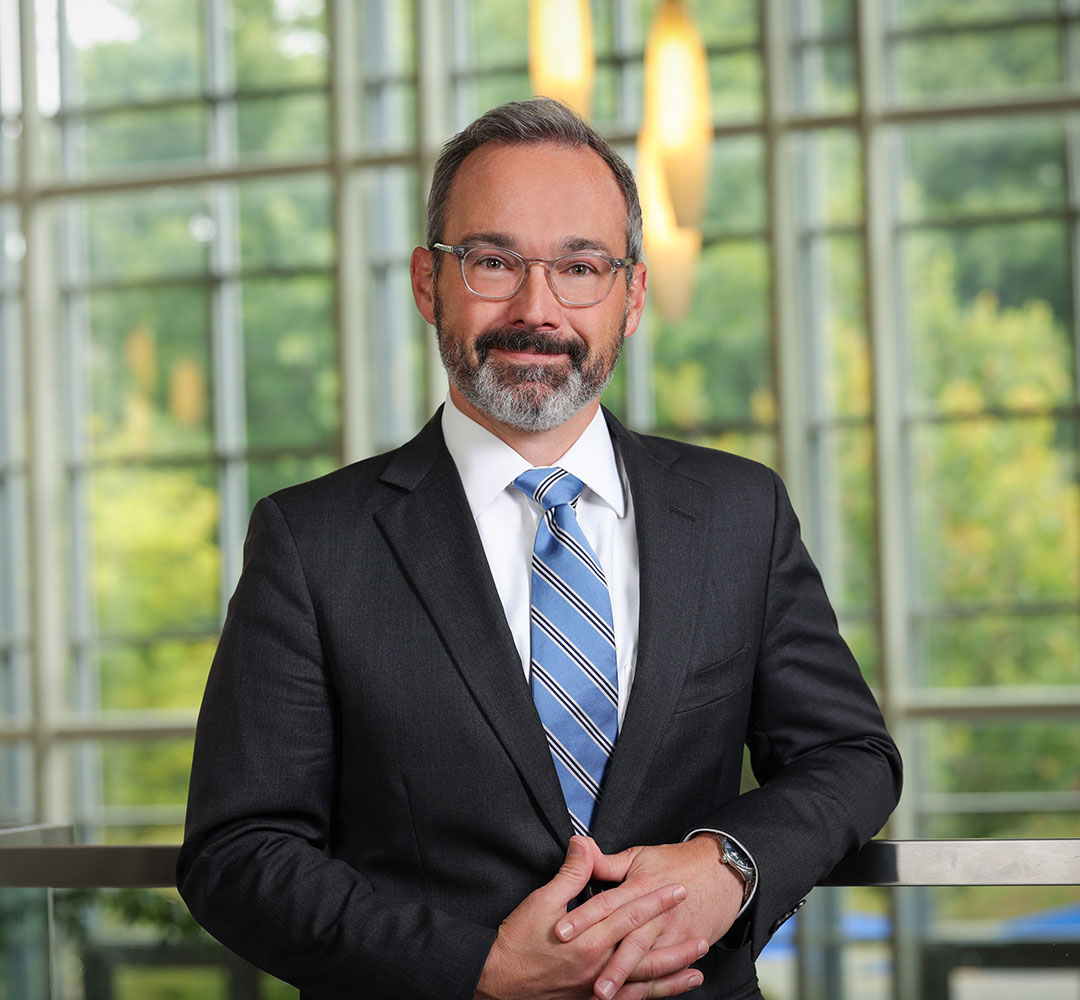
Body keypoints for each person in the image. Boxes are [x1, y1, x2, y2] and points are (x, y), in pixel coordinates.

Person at [177, 97, 901, 1000]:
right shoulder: (314, 541)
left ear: (631, 296)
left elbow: (851, 757)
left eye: (581, 266)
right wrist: (475, 969)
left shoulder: (737, 513)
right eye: (492, 261)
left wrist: (731, 866)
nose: (537, 308)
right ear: (426, 283)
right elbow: (236, 853)